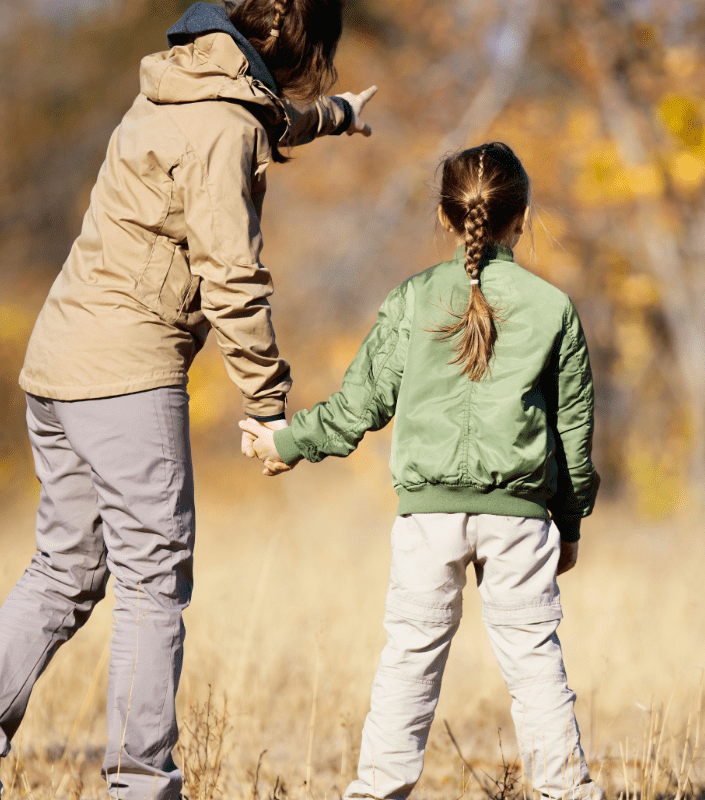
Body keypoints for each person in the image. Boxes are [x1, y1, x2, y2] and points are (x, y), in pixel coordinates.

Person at [0, 1, 376, 798]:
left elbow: (257, 119)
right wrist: (270, 406)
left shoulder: (175, 85)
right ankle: (141, 783)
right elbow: (232, 279)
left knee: (64, 568)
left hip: (60, 359)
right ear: (287, 33)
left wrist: (331, 117)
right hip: (125, 371)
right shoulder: (222, 127)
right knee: (152, 577)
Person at [241, 142, 604, 800]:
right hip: (519, 520)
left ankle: (375, 793)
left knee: (408, 663)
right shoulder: (553, 309)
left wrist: (288, 442)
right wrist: (570, 522)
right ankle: (569, 794)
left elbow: (360, 405)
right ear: (521, 218)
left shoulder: (412, 299)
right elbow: (573, 431)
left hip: (426, 519)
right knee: (535, 668)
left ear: (445, 217)